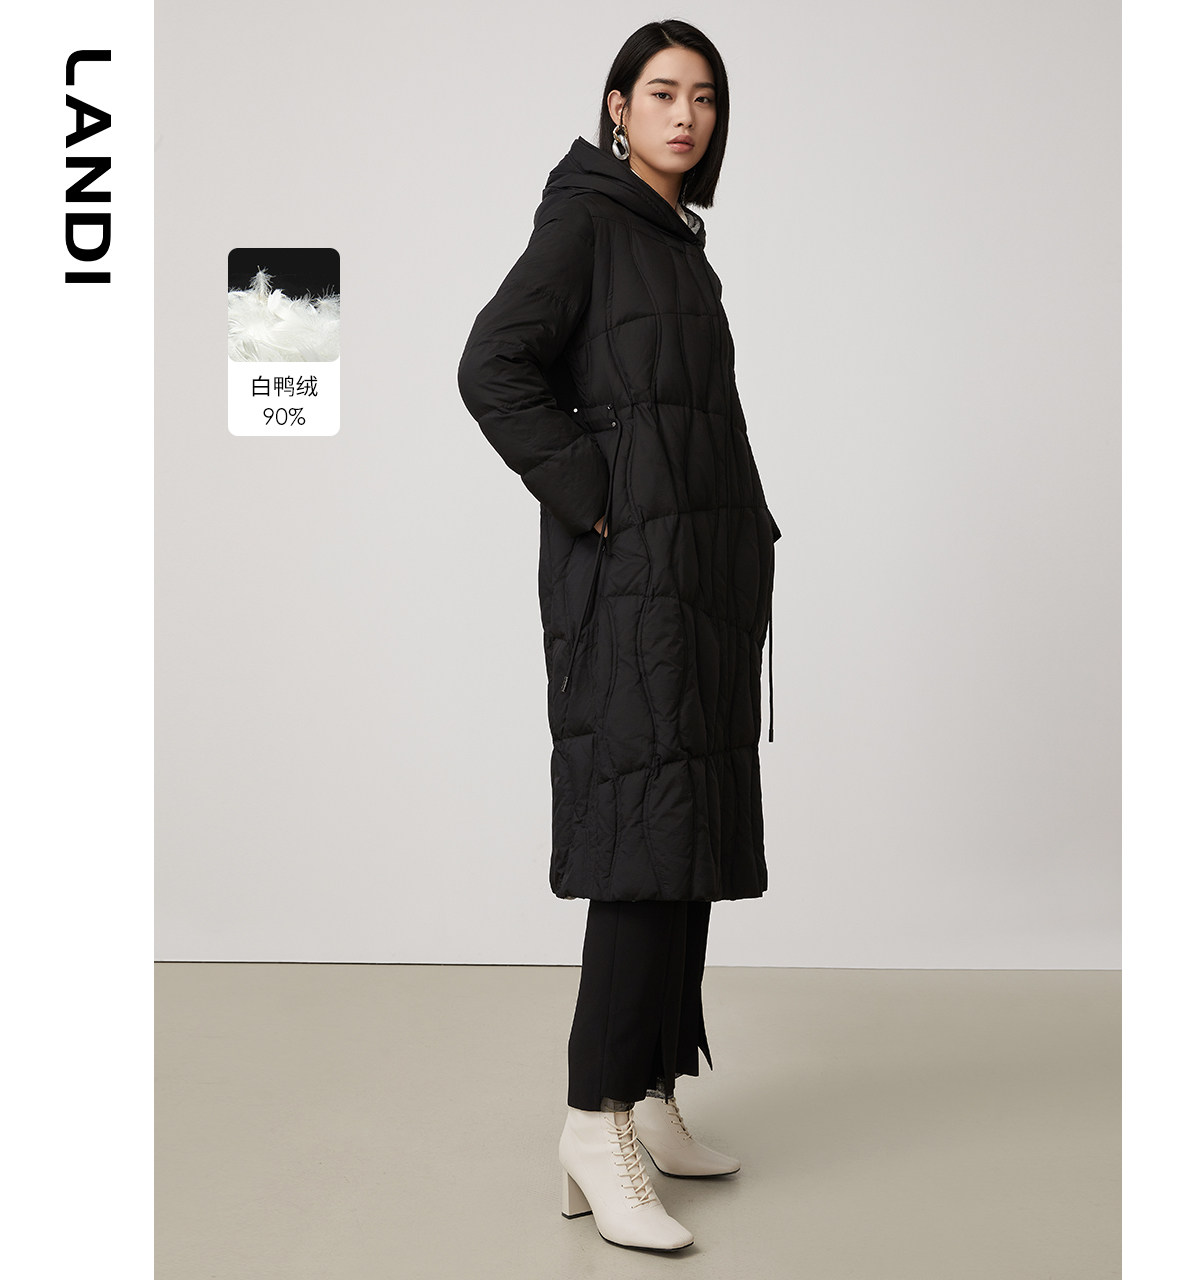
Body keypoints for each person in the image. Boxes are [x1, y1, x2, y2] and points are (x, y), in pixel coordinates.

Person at [456, 19, 781, 1253]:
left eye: (704, 98)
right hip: (631, 588)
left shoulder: (675, 242)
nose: (685, 116)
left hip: (694, 587)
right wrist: (594, 493)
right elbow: (492, 365)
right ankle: (592, 1121)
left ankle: (648, 1092)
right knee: (642, 845)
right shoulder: (587, 224)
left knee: (683, 837)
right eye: (661, 93)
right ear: (615, 107)